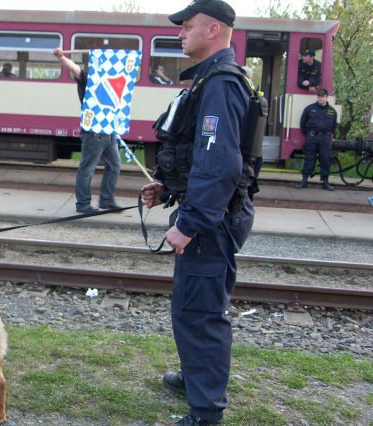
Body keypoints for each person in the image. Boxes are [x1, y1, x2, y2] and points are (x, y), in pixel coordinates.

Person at [140, 1, 254, 424]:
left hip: (211, 220)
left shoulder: (220, 84)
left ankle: (205, 411)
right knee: (190, 306)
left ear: (212, 30)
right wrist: (168, 189)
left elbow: (221, 164)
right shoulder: (209, 81)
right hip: (207, 212)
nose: (179, 34)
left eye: (186, 27)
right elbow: (201, 156)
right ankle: (194, 378)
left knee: (201, 314)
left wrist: (189, 222)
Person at [52, 47, 122, 213]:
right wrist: (61, 58)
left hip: (108, 131)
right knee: (88, 168)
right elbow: (74, 68)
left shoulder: (110, 82)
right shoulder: (89, 79)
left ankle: (106, 200)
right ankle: (83, 204)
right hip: (93, 132)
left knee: (114, 165)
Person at [296, 88, 338, 191]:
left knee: (325, 159)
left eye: (322, 96)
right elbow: (303, 123)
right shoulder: (309, 109)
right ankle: (304, 180)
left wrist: (327, 135)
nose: (320, 98)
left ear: (326, 97)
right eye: (319, 96)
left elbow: (334, 126)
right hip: (312, 137)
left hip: (325, 138)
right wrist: (309, 135)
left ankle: (325, 182)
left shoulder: (332, 111)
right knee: (309, 159)